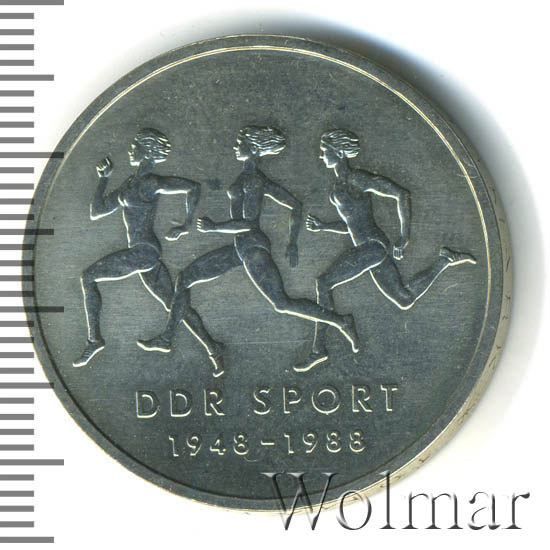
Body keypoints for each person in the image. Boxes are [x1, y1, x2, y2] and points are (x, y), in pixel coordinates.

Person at [138, 126, 358, 377]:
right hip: (239, 247)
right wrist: (291, 241)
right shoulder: (248, 178)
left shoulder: (253, 181)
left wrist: (215, 227)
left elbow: (249, 223)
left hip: (252, 246)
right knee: (185, 277)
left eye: (240, 142)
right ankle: (174, 339)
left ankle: (341, 321)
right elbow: (294, 204)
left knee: (281, 303)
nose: (236, 146)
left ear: (253, 148)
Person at [294, 129, 476, 372]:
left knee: (323, 282)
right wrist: (324, 226)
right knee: (404, 298)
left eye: (324, 150)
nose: (321, 156)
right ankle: (445, 259)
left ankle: (319, 349)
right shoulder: (337, 186)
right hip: (367, 249)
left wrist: (403, 237)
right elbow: (352, 225)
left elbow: (401, 194)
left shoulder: (357, 179)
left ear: (339, 152)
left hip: (374, 247)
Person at [73, 128, 201, 367]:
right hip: (145, 255)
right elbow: (97, 211)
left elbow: (193, 187)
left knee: (88, 276)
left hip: (143, 252)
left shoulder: (151, 183)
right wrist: (104, 178)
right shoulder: (129, 184)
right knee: (173, 304)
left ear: (148, 151)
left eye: (136, 147)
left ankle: (94, 340)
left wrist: (186, 224)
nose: (131, 150)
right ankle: (213, 347)